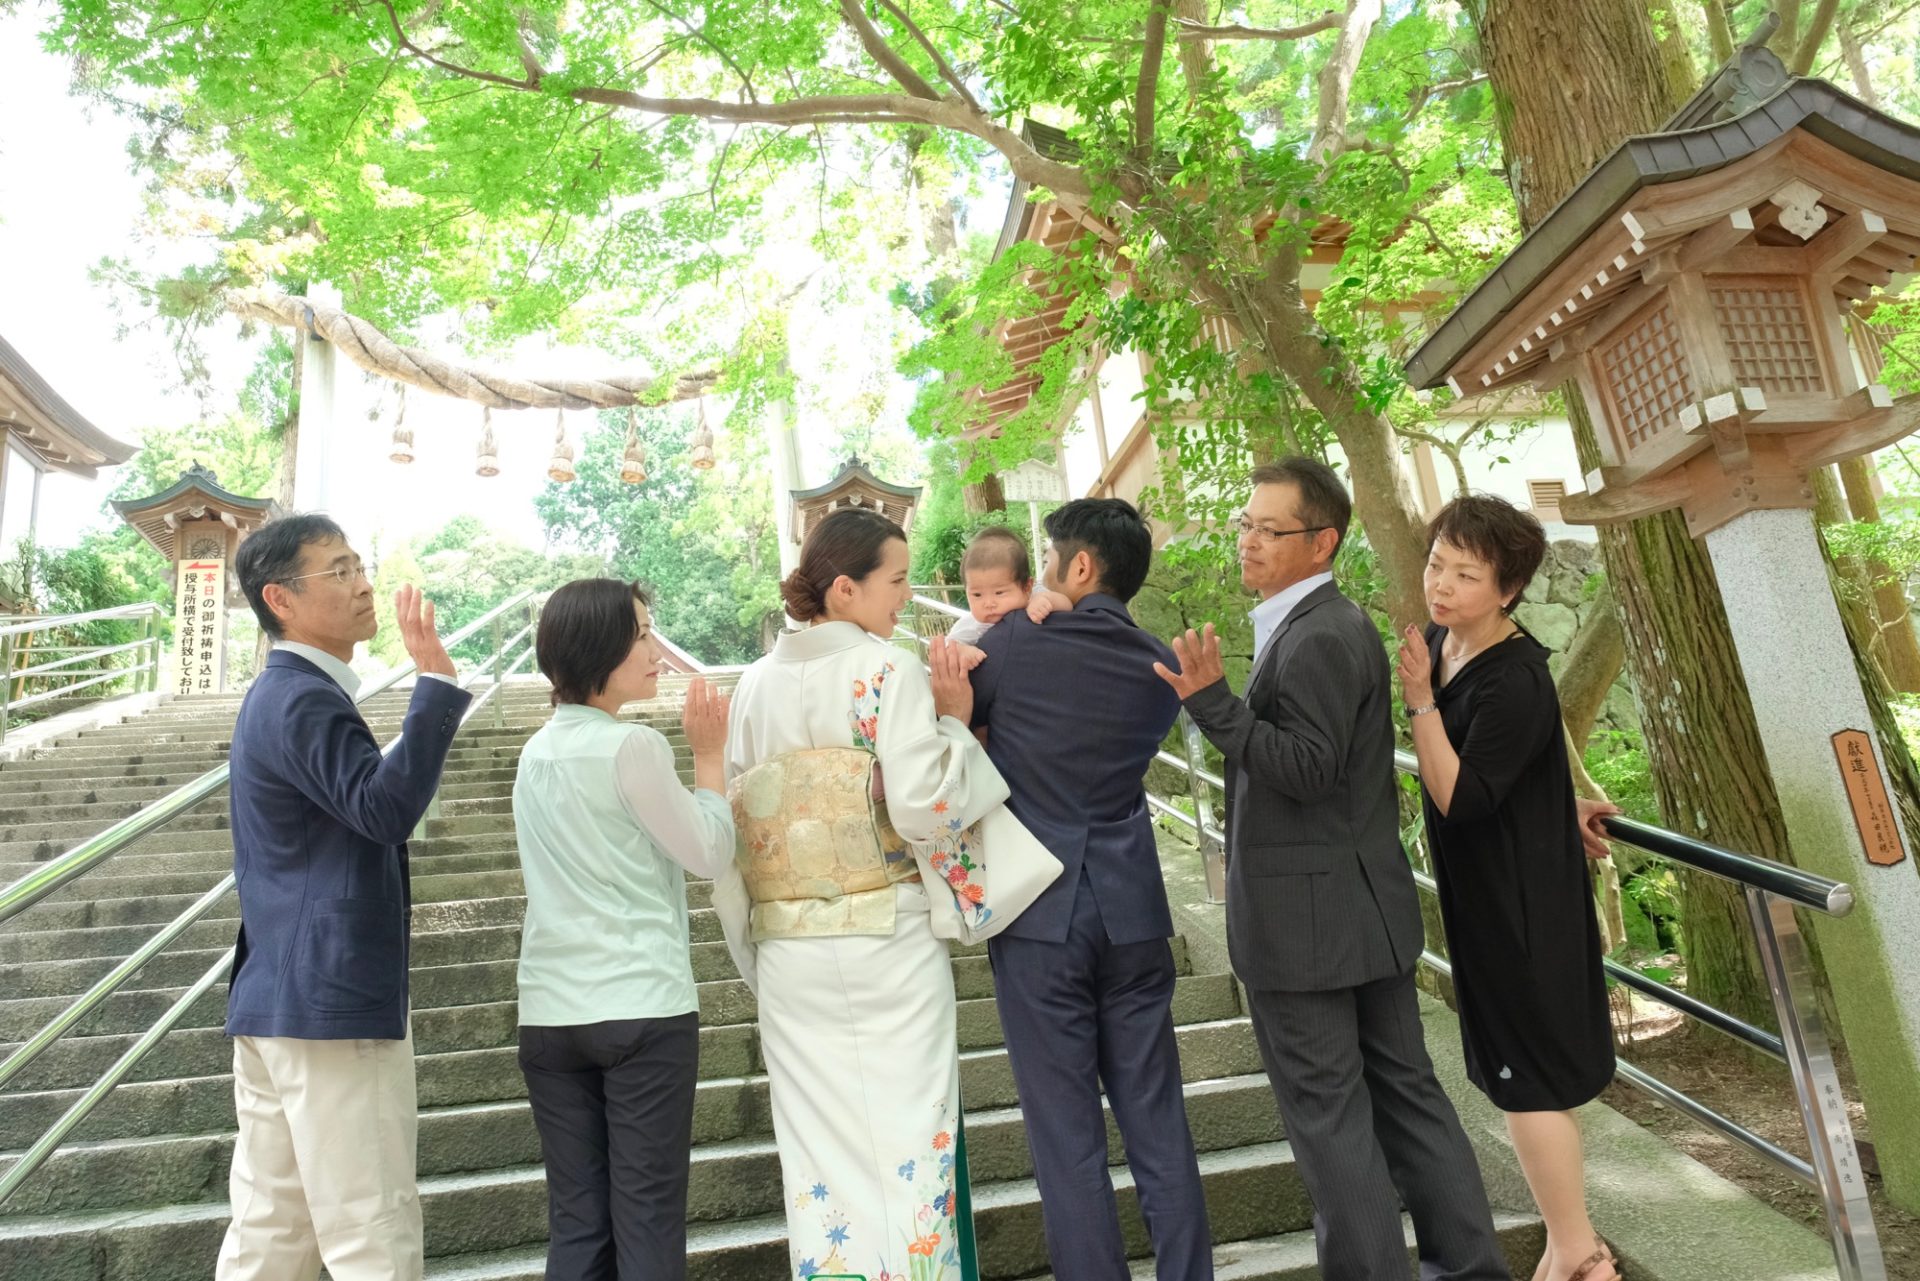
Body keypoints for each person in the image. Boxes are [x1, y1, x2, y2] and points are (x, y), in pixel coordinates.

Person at [1154, 458, 1509, 1281]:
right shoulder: (1328, 623)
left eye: (1267, 529)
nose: (1247, 539)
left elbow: (1308, 767)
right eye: (1244, 524)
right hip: (1357, 914)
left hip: (1307, 931)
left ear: (1322, 542)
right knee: (1410, 1101)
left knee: (1332, 1122)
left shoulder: (1317, 632)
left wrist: (1213, 703)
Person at [721, 507, 1010, 1281]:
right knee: (914, 1134)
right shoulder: (889, 671)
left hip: (790, 948)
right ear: (845, 587)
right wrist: (956, 729)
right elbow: (919, 808)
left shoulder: (750, 687)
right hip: (888, 936)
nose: (907, 596)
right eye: (897, 579)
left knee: (819, 1154)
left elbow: (738, 822)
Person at [219, 514, 472, 1280]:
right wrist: (435, 687)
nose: (363, 583)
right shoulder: (301, 698)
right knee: (373, 1231)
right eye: (338, 570)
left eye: (358, 563)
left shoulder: (286, 695)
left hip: (279, 1002)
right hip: (328, 1004)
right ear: (281, 599)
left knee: (273, 1231)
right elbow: (383, 808)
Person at [969, 497, 1214, 1281]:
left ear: (1080, 566)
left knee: (1066, 1137)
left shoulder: (1009, 645)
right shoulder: (1158, 666)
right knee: (1158, 1122)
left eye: (1048, 560)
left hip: (1040, 918)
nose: (1038, 576)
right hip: (1134, 909)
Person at [1396, 496, 1617, 1281]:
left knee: (1527, 1083)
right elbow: (1519, 769)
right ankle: (1564, 1249)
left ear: (1509, 588)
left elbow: (1462, 795)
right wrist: (1569, 800)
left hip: (1522, 906)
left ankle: (1582, 1251)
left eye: (1466, 573)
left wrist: (1421, 701)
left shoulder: (1514, 677)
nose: (1442, 585)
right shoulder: (1440, 642)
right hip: (1484, 897)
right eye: (1436, 564)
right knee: (1512, 1077)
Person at [510, 579, 736, 1280]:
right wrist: (708, 756)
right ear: (598, 648)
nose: (655, 650)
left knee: (579, 1222)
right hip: (639, 1006)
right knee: (646, 1219)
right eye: (640, 634)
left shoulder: (534, 755)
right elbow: (708, 852)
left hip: (551, 1013)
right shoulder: (630, 746)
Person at [946, 525, 1071, 649]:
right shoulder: (972, 625)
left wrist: (1046, 600)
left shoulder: (1035, 595)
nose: (988, 603)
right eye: (977, 595)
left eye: (999, 592)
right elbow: (949, 646)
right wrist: (962, 652)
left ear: (1027, 587)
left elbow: (1067, 604)